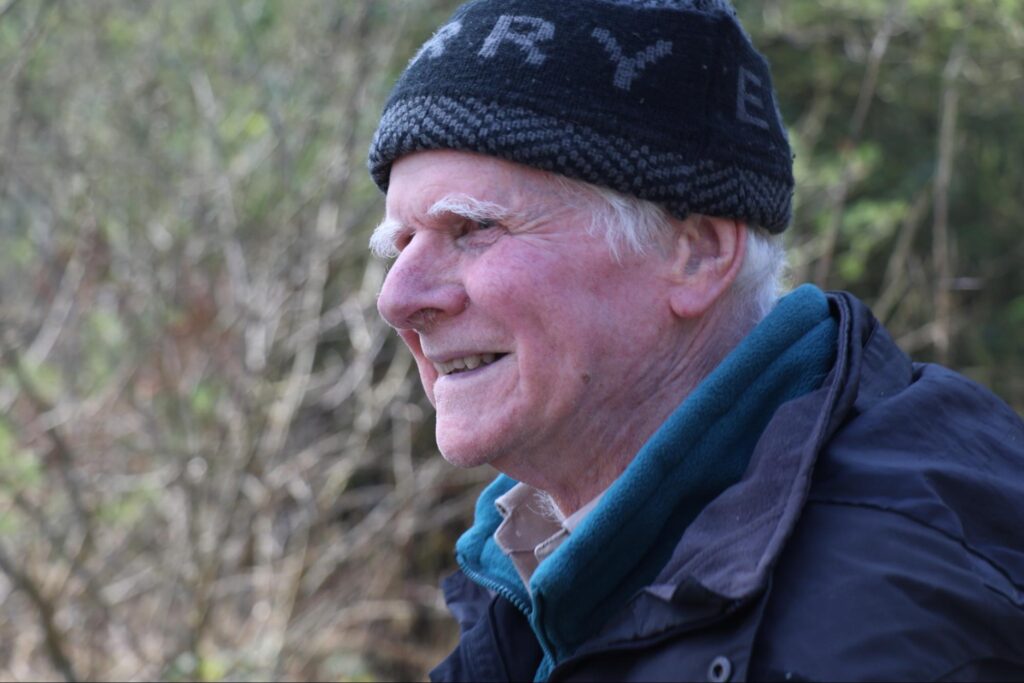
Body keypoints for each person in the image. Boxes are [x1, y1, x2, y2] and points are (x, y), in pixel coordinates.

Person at [366, 0, 1024, 680]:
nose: (398, 298)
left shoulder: (895, 611)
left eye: (473, 228)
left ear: (698, 254)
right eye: (401, 242)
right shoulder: (536, 566)